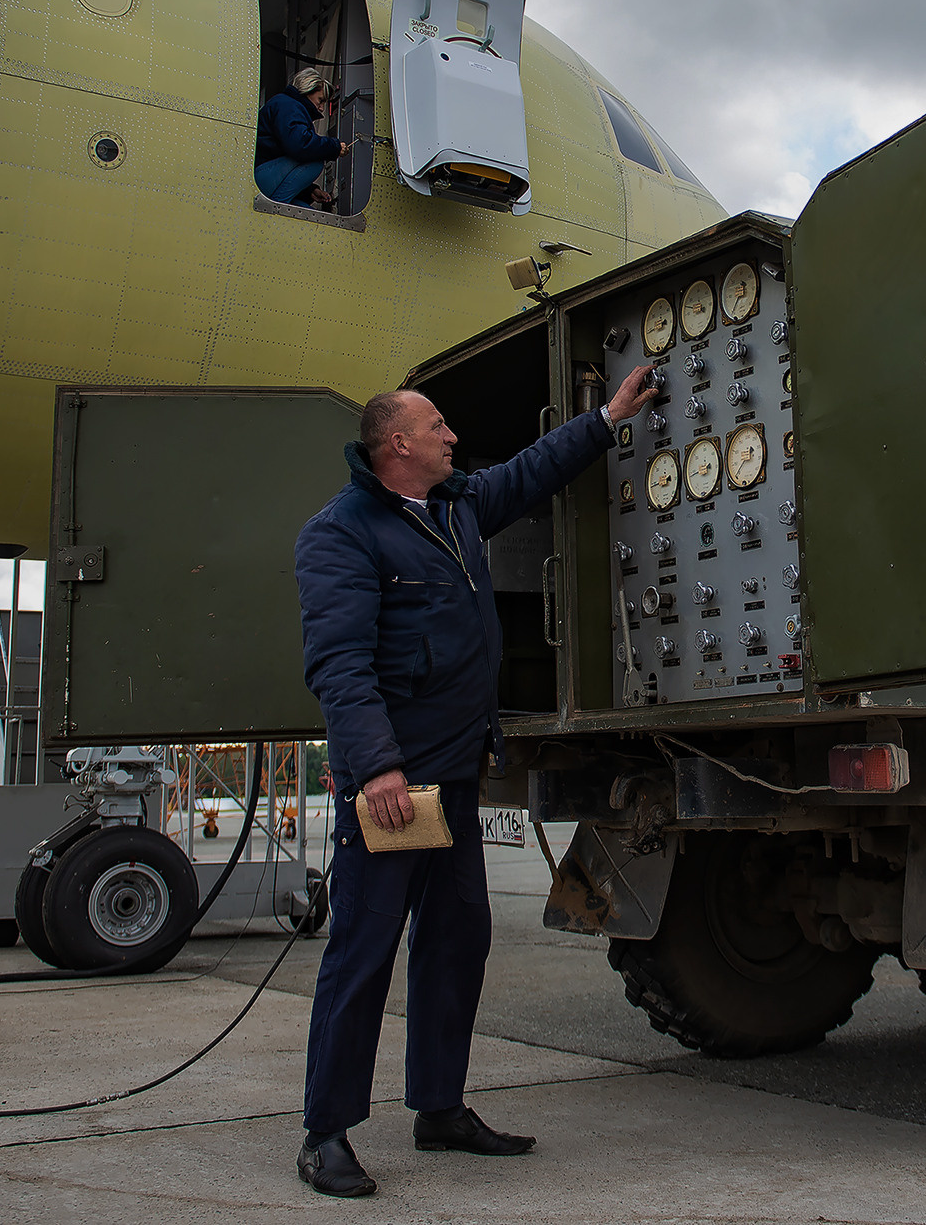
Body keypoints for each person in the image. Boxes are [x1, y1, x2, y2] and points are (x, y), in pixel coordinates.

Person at [292, 367, 657, 1198]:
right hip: (396, 787)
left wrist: (606, 417)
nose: (453, 436)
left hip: (454, 777)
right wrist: (377, 766)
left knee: (457, 941)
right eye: (438, 427)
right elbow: (340, 665)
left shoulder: (455, 506)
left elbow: (529, 471)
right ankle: (326, 1132)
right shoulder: (341, 533)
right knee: (364, 951)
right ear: (398, 443)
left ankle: (439, 1106)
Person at [256, 67, 349, 207]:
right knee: (315, 161)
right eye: (320, 100)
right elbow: (300, 145)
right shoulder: (288, 106)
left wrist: (310, 191)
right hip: (260, 176)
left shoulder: (287, 105)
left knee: (305, 209)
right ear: (307, 90)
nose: (322, 108)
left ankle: (277, 205)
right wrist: (334, 147)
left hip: (265, 174)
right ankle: (274, 207)